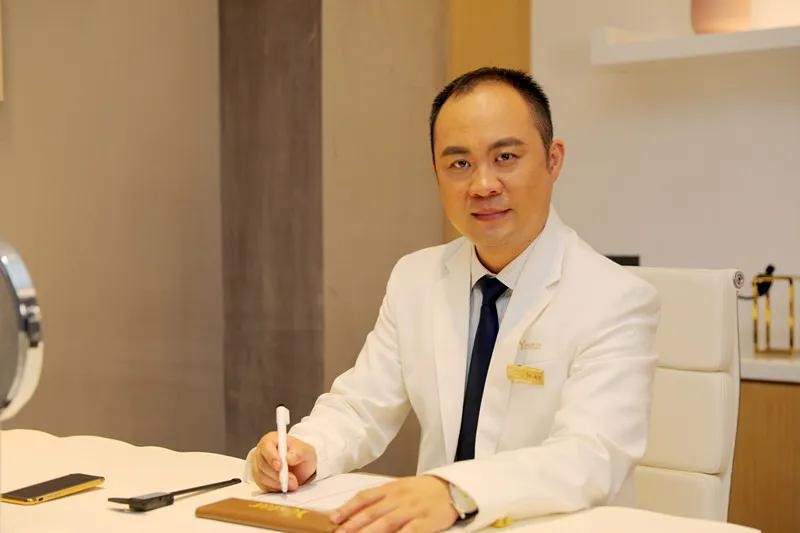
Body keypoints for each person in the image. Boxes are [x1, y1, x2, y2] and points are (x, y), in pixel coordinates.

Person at [246, 67, 660, 532]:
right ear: (437, 174)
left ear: (553, 159)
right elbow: (362, 406)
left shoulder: (614, 298)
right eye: (459, 164)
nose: (483, 185)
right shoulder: (415, 278)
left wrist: (455, 491)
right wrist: (305, 450)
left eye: (505, 157)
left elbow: (588, 456)